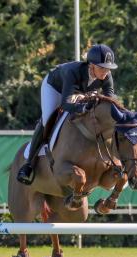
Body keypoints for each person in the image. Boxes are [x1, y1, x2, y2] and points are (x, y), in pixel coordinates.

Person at [17, 44, 118, 185]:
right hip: (55, 87)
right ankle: (28, 165)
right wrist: (84, 107)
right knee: (48, 118)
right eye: (102, 67)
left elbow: (109, 102)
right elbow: (65, 104)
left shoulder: (106, 76)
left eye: (108, 68)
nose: (105, 72)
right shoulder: (73, 72)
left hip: (80, 93)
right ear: (91, 65)